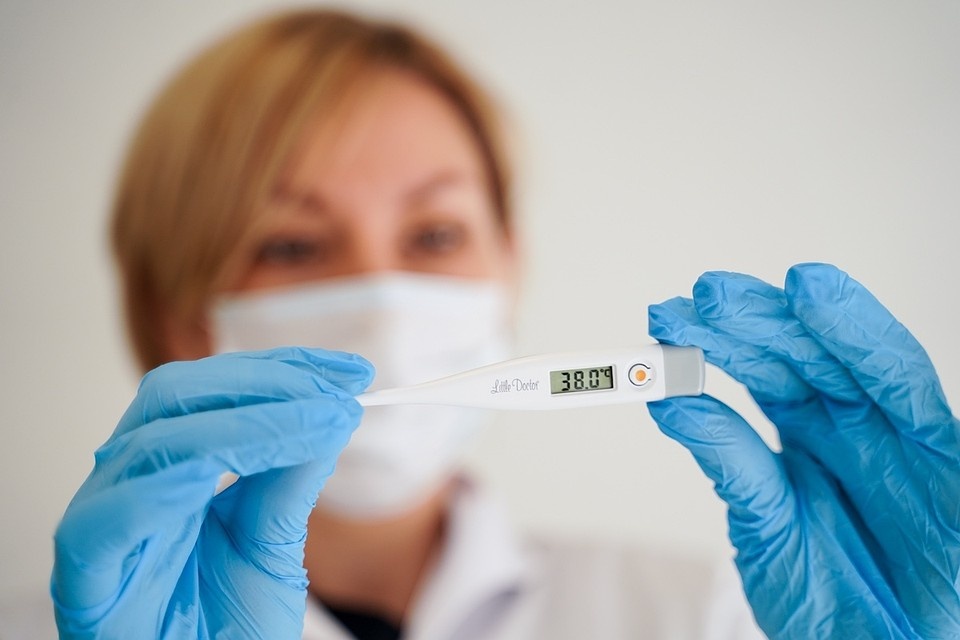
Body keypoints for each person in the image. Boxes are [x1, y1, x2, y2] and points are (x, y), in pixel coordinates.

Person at [49, 8, 960, 640]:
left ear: (509, 268)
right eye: (290, 245)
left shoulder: (695, 617)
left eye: (435, 233)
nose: (382, 293)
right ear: (178, 317)